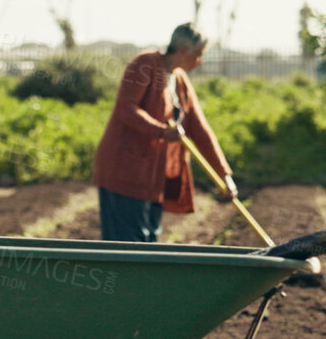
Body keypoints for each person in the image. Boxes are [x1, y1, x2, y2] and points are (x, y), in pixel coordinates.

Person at [93, 23, 235, 242]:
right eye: (198, 55)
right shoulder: (144, 64)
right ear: (182, 51)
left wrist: (224, 175)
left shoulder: (179, 80)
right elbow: (126, 109)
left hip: (152, 178)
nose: (200, 61)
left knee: (149, 244)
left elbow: (200, 129)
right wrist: (161, 131)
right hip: (124, 172)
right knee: (128, 247)